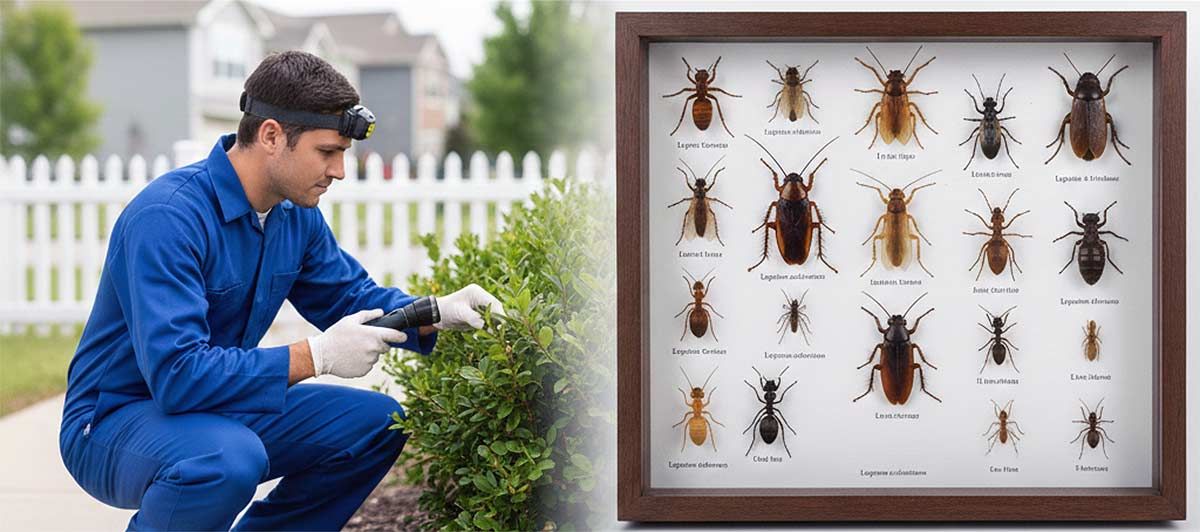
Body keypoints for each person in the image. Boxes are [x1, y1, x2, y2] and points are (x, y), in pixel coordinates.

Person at [58, 50, 504, 530]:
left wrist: (434, 312)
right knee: (228, 460)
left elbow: (351, 297)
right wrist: (316, 356)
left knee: (375, 425)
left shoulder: (295, 217)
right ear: (271, 135)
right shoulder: (168, 218)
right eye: (327, 152)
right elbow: (178, 374)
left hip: (212, 406)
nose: (339, 171)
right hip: (113, 420)